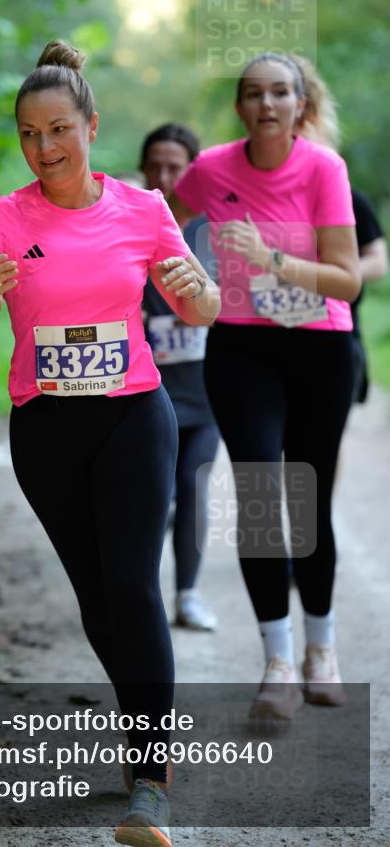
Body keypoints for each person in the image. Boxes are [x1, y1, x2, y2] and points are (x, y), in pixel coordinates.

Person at [0, 40, 220, 846]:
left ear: (91, 127)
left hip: (134, 414)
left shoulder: (141, 208)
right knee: (98, 601)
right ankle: (145, 736)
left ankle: (150, 782)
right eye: (28, 135)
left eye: (58, 129)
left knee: (134, 590)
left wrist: (193, 287)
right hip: (46, 427)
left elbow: (200, 308)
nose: (44, 148)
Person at [169, 51, 361, 719]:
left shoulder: (323, 169)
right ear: (239, 108)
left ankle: (321, 646)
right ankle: (276, 661)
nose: (267, 104)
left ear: (300, 105)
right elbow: (158, 219)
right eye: (253, 93)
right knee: (256, 496)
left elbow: (347, 278)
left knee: (304, 500)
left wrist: (271, 260)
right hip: (241, 349)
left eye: (280, 93)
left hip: (317, 348)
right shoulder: (210, 168)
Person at [140, 123, 220, 631]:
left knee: (194, 485)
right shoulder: (129, 222)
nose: (166, 177)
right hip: (148, 394)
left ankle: (187, 595)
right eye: (156, 166)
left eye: (177, 167)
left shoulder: (215, 230)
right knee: (154, 493)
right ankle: (138, 603)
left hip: (207, 392)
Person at [293, 55, 388, 406]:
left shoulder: (346, 195)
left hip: (335, 332)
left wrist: (326, 276)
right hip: (268, 334)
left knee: (321, 445)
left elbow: (378, 261)